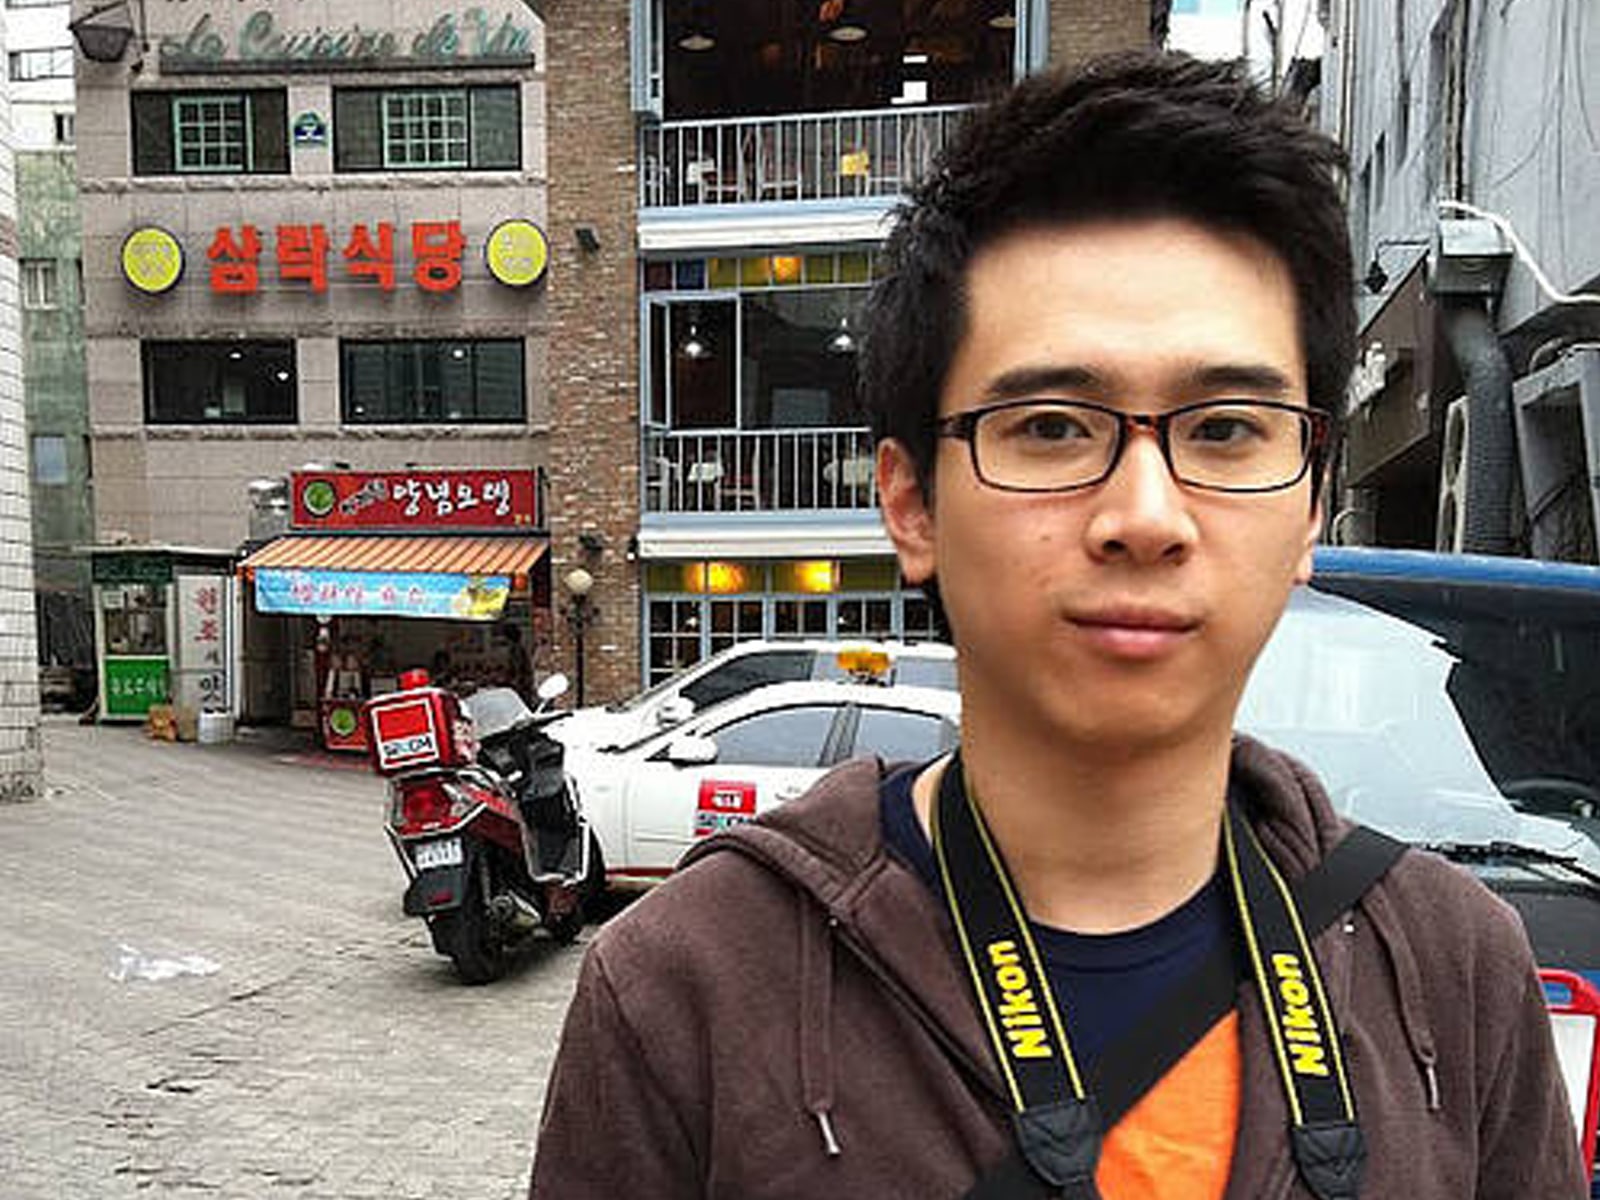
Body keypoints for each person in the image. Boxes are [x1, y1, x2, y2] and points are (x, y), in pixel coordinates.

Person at [529, 52, 1585, 1199]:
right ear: (910, 504)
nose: (1145, 515)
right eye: (1049, 427)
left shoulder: (1453, 970)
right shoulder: (689, 986)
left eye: (1227, 429)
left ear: (1310, 507)